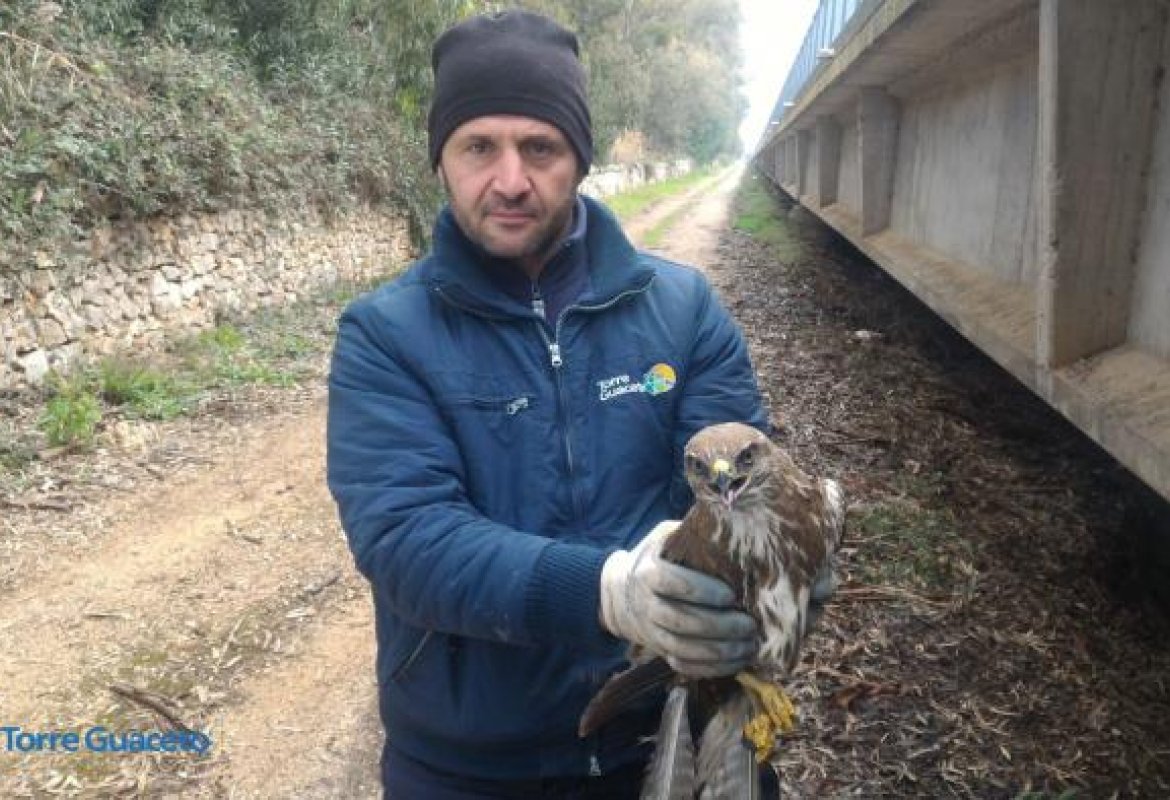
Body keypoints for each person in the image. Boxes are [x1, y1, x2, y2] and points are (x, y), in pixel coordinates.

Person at [326, 10, 771, 798]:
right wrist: (606, 591)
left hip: (675, 733)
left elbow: (740, 487)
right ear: (441, 160)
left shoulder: (683, 309)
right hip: (470, 765)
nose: (509, 179)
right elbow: (406, 538)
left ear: (579, 157)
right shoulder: (385, 336)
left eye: (539, 147)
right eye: (478, 147)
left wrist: (781, 555)